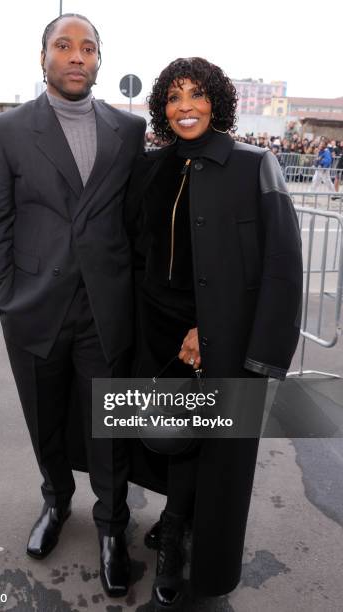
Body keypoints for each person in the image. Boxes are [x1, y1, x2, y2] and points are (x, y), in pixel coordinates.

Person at [0, 13, 146, 598]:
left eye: (88, 47)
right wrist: (3, 295)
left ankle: (110, 525)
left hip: (105, 311)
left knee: (109, 426)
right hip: (34, 308)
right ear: (43, 55)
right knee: (44, 419)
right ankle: (57, 501)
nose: (77, 55)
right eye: (64, 45)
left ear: (99, 60)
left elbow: (134, 221)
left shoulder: (129, 131)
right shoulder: (5, 132)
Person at [126, 57, 303, 610]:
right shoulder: (153, 166)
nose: (185, 107)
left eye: (197, 95)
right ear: (163, 106)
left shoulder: (254, 164)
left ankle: (178, 535)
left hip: (217, 335)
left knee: (213, 446)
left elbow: (279, 262)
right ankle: (176, 520)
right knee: (170, 436)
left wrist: (216, 329)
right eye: (175, 97)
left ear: (216, 103)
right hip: (157, 327)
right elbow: (137, 248)